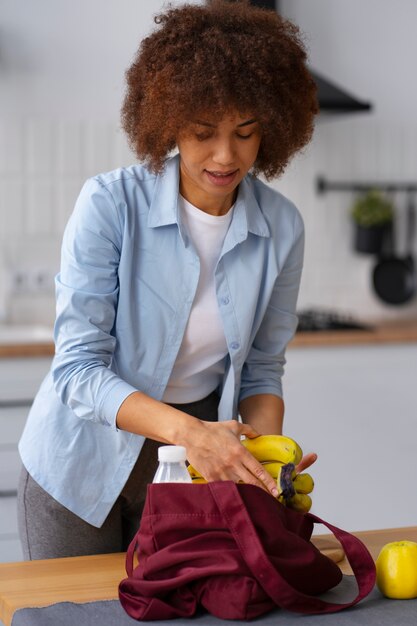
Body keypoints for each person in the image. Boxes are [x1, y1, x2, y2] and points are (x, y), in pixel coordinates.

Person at [17, 0, 318, 560]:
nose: (225, 156)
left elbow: (260, 368)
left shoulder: (282, 227)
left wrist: (264, 461)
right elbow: (78, 370)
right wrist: (193, 435)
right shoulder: (109, 204)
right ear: (168, 118)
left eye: (246, 133)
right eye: (203, 132)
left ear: (272, 130)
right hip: (81, 463)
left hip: (195, 469)